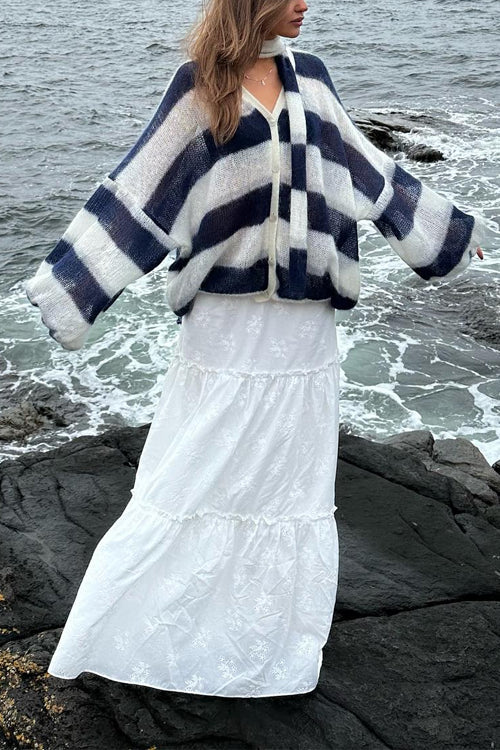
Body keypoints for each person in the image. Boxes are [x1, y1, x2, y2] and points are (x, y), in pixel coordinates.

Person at [24, 0, 487, 698]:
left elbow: (368, 172)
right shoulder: (198, 85)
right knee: (194, 472)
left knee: (286, 483)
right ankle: (141, 632)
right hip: (224, 324)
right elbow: (142, 192)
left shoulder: (313, 78)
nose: (304, 4)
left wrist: (447, 232)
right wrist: (69, 288)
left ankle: (265, 646)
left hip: (304, 329)